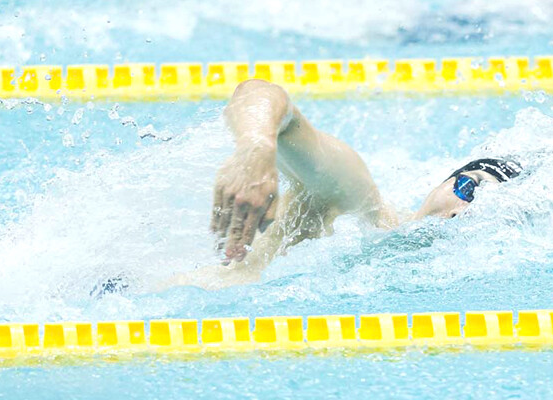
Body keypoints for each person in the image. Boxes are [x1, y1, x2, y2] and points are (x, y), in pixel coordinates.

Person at [168, 79, 521, 290]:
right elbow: (261, 93)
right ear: (441, 184)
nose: (463, 211)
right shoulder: (358, 201)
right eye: (468, 189)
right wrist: (256, 147)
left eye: (479, 213)